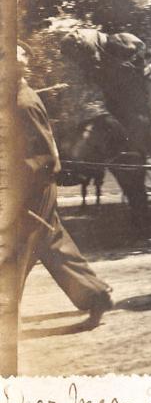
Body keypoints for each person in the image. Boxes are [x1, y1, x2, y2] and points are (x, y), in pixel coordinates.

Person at [14, 46, 113, 327]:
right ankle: (97, 297)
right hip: (32, 187)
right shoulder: (13, 99)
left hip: (34, 188)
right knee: (51, 244)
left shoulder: (24, 102)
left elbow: (46, 156)